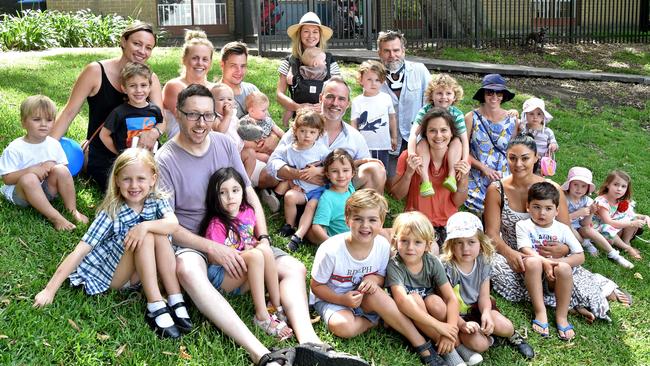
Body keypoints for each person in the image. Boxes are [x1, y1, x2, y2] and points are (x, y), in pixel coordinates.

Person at [156, 84, 367, 366]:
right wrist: (211, 248)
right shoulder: (166, 160)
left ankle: (311, 345)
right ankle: (263, 355)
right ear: (178, 115)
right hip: (198, 242)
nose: (201, 123)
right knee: (186, 268)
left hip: (241, 238)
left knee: (294, 267)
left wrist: (264, 236)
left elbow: (249, 192)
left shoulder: (224, 143)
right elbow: (169, 225)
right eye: (193, 115)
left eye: (208, 115)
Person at [33, 148, 191, 339]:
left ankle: (175, 298)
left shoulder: (156, 200)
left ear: (153, 179)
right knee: (147, 235)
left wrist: (145, 226)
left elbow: (173, 224)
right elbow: (81, 250)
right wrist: (49, 290)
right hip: (118, 276)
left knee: (155, 232)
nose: (134, 185)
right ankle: (155, 304)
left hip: (145, 270)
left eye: (141, 178)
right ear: (117, 180)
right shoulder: (112, 211)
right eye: (127, 179)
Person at [484, 134, 631, 325]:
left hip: (549, 250)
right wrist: (510, 253)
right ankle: (566, 303)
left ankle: (578, 293)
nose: (518, 164)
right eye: (512, 158)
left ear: (536, 157)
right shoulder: (497, 189)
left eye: (525, 158)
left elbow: (566, 229)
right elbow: (491, 234)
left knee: (564, 272)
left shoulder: (551, 188)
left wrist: (564, 249)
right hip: (515, 253)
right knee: (500, 271)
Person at [310, 190, 440, 365]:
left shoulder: (382, 246)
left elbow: (381, 276)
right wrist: (342, 299)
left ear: (381, 222)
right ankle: (376, 321)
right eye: (358, 219)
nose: (365, 226)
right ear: (347, 219)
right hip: (333, 298)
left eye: (372, 220)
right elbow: (316, 286)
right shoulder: (331, 250)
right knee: (342, 326)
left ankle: (420, 343)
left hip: (367, 298)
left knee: (376, 293)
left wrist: (374, 279)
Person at [51, 22, 163, 191]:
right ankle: (87, 159)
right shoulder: (95, 71)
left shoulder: (150, 79)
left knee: (158, 186)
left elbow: (161, 118)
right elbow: (69, 113)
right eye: (137, 43)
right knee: (126, 190)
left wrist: (154, 132)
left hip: (141, 152)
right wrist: (45, 152)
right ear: (123, 41)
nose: (142, 51)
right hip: (105, 151)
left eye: (148, 47)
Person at [197, 168, 293, 341]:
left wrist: (254, 246)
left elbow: (249, 239)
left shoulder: (248, 212)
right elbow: (213, 257)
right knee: (256, 255)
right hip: (223, 277)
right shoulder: (216, 224)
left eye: (235, 190)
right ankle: (261, 317)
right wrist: (245, 252)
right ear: (215, 196)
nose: (230, 197)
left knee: (264, 249)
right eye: (223, 192)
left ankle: (276, 305)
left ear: (243, 190)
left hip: (244, 275)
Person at [268, 76, 386, 198]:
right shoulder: (303, 129)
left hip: (339, 192)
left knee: (375, 169)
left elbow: (363, 168)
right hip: (306, 193)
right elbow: (272, 163)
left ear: (347, 104)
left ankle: (365, 212)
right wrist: (300, 174)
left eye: (341, 99)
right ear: (321, 98)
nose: (335, 103)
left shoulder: (355, 137)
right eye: (330, 97)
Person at [441, 212, 534, 360]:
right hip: (456, 315)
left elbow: (484, 296)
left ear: (481, 242)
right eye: (459, 242)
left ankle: (512, 336)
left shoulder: (483, 262)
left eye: (471, 242)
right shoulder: (446, 267)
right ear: (451, 244)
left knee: (506, 327)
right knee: (480, 345)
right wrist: (462, 324)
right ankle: (479, 339)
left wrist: (486, 313)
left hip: (478, 307)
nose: (465, 249)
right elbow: (445, 304)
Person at [385, 211, 467, 366]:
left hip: (431, 312)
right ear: (395, 241)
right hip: (409, 316)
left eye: (417, 242)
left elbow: (451, 298)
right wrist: (439, 327)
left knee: (435, 300)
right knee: (414, 298)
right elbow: (402, 301)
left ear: (428, 245)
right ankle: (449, 349)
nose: (410, 248)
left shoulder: (432, 262)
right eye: (404, 241)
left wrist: (450, 329)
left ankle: (450, 341)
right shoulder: (394, 266)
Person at [0, 95, 88, 231]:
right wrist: (31, 170)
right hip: (21, 195)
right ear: (23, 122)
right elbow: (7, 179)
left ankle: (72, 211)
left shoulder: (54, 144)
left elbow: (63, 174)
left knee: (61, 170)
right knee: (29, 178)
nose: (43, 124)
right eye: (36, 119)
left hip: (46, 191)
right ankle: (56, 218)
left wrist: (51, 165)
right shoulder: (15, 148)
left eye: (49, 120)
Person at [391, 108, 470, 247]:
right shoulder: (409, 157)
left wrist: (463, 180)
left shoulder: (459, 160)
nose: (438, 136)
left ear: (452, 133)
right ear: (425, 134)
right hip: (417, 225)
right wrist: (409, 173)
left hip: (448, 225)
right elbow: (397, 195)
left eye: (444, 130)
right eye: (432, 130)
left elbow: (457, 202)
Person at [516, 182, 585, 341]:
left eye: (548, 208)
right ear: (528, 207)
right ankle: (540, 312)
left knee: (564, 268)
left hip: (558, 278)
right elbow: (525, 250)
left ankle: (562, 316)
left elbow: (580, 256)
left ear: (556, 211)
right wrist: (545, 263)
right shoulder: (523, 225)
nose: (542, 213)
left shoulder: (562, 229)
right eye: (536, 207)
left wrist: (554, 263)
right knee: (533, 261)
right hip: (534, 275)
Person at [377, 30, 431, 187]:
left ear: (403, 51)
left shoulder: (419, 70)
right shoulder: (373, 75)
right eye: (386, 51)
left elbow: (431, 103)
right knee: (392, 184)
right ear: (379, 52)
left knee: (418, 180)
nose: (392, 55)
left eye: (396, 50)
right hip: (389, 142)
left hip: (417, 138)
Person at [271, 110, 329, 247]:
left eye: (312, 132)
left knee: (310, 206)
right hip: (302, 189)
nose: (307, 135)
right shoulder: (290, 150)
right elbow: (288, 169)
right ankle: (289, 225)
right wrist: (292, 184)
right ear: (295, 131)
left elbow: (331, 166)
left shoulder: (320, 149)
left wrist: (317, 170)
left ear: (319, 134)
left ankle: (298, 237)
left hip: (319, 190)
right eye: (303, 131)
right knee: (289, 196)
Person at [464, 74, 519, 214]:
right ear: (483, 94)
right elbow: (462, 151)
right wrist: (483, 168)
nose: (494, 97)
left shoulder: (513, 121)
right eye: (490, 92)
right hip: (477, 175)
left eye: (499, 92)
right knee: (480, 210)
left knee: (502, 209)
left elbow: (513, 153)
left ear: (503, 95)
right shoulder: (471, 118)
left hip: (502, 177)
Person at [408, 74, 468, 196]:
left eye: (448, 93)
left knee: (457, 141)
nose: (444, 97)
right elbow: (413, 134)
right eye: (439, 93)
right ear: (432, 95)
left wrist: (464, 161)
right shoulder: (425, 110)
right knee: (422, 142)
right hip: (430, 142)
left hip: (449, 144)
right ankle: (425, 181)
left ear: (454, 96)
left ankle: (451, 177)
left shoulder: (457, 114)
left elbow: (464, 140)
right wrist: (411, 154)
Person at [562, 166, 633, 268]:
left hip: (579, 228)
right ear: (569, 184)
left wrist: (591, 212)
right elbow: (559, 219)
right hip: (564, 227)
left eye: (583, 186)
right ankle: (586, 244)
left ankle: (614, 255)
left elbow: (584, 224)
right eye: (575, 185)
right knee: (568, 226)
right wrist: (578, 213)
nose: (579, 189)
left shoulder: (586, 200)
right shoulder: (563, 199)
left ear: (587, 188)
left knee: (587, 229)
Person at [276, 12, 340, 125]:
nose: (311, 36)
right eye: (306, 31)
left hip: (324, 118)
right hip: (299, 120)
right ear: (299, 34)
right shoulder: (289, 62)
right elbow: (279, 95)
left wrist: (325, 105)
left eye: (315, 32)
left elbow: (339, 91)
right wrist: (299, 107)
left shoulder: (329, 61)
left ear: (320, 35)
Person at [99, 62, 163, 155]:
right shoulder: (119, 112)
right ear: (124, 89)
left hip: (152, 160)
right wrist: (119, 153)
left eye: (143, 85)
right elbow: (104, 135)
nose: (139, 90)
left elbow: (161, 123)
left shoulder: (155, 110)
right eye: (132, 86)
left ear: (150, 87)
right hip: (129, 162)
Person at [162, 29, 215, 138]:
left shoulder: (215, 88)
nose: (200, 63)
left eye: (205, 59)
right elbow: (192, 120)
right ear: (184, 60)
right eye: (195, 58)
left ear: (210, 63)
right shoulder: (174, 86)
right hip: (183, 146)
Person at [593, 170, 650, 261]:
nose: (619, 189)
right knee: (607, 228)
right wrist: (631, 224)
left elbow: (630, 214)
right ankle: (627, 248)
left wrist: (644, 217)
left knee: (633, 218)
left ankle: (626, 242)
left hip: (616, 228)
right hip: (600, 229)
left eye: (623, 186)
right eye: (616, 185)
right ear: (608, 185)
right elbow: (608, 221)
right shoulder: (601, 202)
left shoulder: (620, 200)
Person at [351, 60, 397, 169]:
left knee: (382, 171)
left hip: (383, 144)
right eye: (369, 79)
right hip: (364, 146)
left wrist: (394, 137)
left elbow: (392, 118)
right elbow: (354, 123)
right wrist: (355, 142)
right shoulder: (357, 101)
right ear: (360, 80)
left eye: (377, 80)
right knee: (366, 171)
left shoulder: (386, 98)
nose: (373, 83)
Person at [308, 149, 356, 246]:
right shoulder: (327, 198)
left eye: (345, 170)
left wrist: (365, 161)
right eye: (335, 171)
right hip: (343, 241)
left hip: (357, 233)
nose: (341, 175)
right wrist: (332, 244)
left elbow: (350, 164)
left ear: (353, 173)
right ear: (328, 175)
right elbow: (317, 227)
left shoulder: (350, 187)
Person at [238, 91, 284, 162]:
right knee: (266, 158)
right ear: (252, 111)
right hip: (253, 151)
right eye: (263, 110)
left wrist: (286, 138)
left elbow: (278, 130)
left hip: (270, 147)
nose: (266, 112)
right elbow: (241, 139)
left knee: (281, 153)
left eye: (267, 109)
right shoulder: (245, 122)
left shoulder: (267, 120)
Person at [218, 41, 260, 119]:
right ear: (222, 65)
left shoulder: (252, 90)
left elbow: (268, 122)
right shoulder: (215, 95)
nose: (239, 71)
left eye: (243, 66)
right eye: (233, 66)